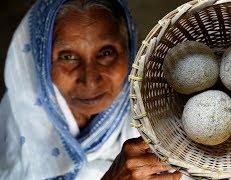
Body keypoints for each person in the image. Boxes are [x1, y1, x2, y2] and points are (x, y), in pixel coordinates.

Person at [0, 0, 182, 179]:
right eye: (68, 56)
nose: (90, 81)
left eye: (106, 53)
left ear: (130, 49)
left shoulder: (165, 120)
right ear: (40, 61)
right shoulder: (18, 117)